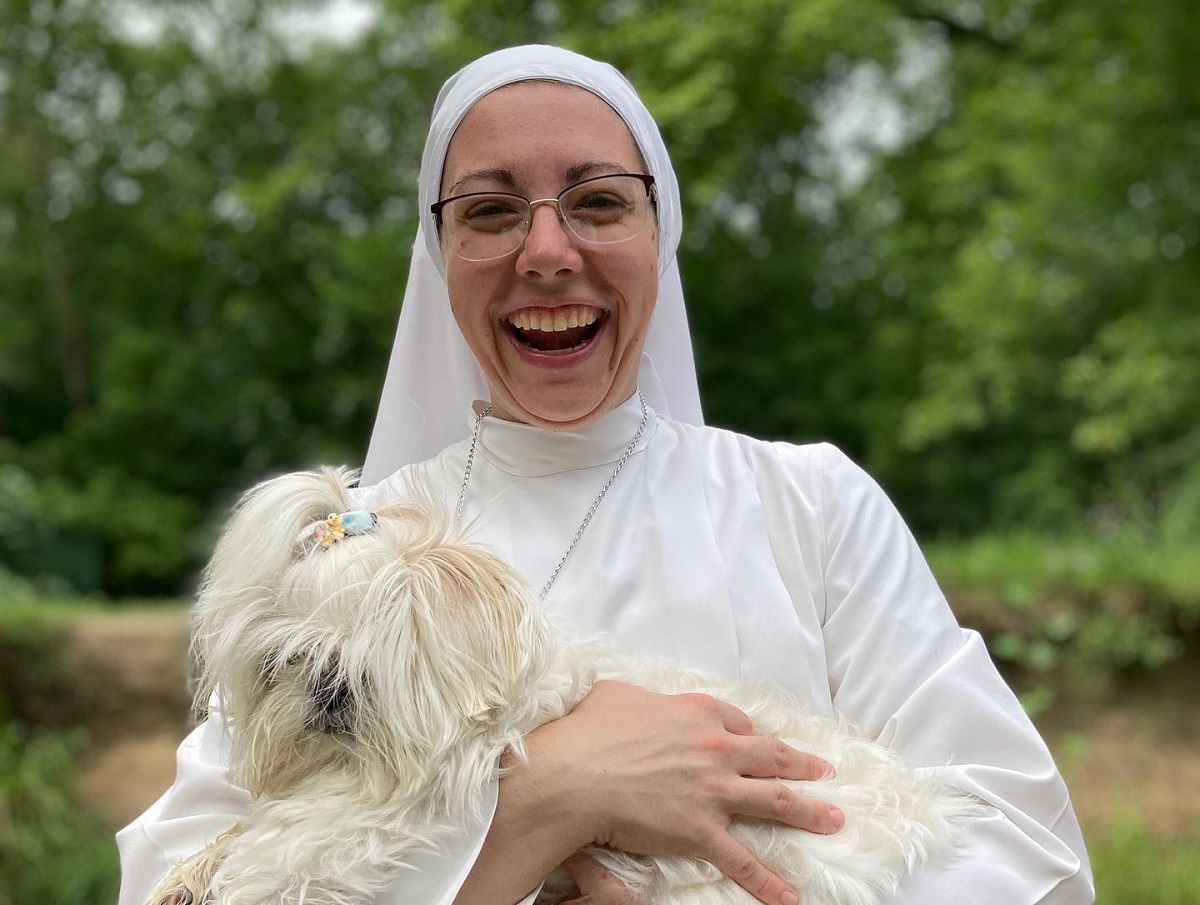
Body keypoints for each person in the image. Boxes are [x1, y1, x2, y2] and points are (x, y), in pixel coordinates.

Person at [118, 44, 1094, 905]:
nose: (548, 251)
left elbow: (1031, 852)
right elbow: (175, 881)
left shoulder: (814, 506)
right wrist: (549, 798)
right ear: (440, 252)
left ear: (657, 236)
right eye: (492, 210)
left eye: (595, 202)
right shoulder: (337, 549)